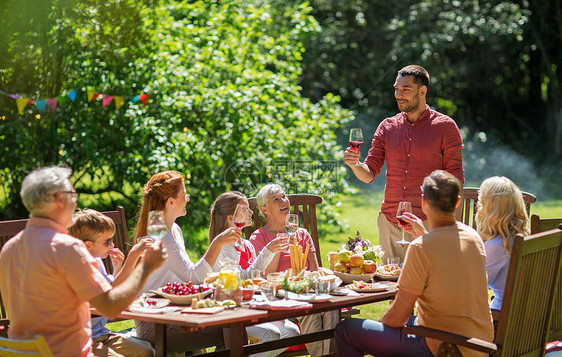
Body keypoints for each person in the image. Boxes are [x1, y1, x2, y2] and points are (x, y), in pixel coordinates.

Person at [0, 166, 166, 357]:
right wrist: (146, 267)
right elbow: (110, 306)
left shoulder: (9, 248)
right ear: (59, 200)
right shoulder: (67, 248)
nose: (76, 200)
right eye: (73, 194)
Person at [335, 170, 494, 357]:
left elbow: (396, 318)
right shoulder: (472, 236)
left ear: (423, 201)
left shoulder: (421, 248)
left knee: (347, 330)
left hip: (445, 349)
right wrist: (422, 234)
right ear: (457, 201)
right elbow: (445, 254)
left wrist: (383, 326)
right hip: (479, 345)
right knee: (408, 322)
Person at [343, 64, 464, 262]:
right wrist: (355, 165)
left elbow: (455, 179)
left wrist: (449, 225)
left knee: (428, 288)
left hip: (428, 224)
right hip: (391, 222)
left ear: (422, 91)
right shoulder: (387, 127)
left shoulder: (445, 126)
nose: (399, 94)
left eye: (405, 89)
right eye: (396, 89)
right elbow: (369, 173)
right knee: (391, 284)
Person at [133, 170, 239, 352]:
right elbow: (194, 276)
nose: (188, 199)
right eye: (184, 195)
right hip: (156, 323)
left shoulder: (173, 228)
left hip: (174, 313)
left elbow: (188, 279)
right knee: (232, 328)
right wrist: (218, 242)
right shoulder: (158, 235)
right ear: (171, 201)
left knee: (230, 321)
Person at [249, 184, 336, 357]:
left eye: (284, 196)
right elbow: (267, 278)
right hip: (278, 297)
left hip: (305, 290)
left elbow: (315, 270)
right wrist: (276, 249)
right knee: (311, 313)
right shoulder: (259, 238)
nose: (283, 201)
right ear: (264, 210)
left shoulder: (302, 234)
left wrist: (308, 281)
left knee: (332, 307)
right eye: (276, 199)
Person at [209, 191, 299, 357]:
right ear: (231, 218)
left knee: (292, 331)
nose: (251, 212)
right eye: (245, 209)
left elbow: (256, 277)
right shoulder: (224, 246)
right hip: (230, 310)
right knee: (271, 334)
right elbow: (240, 278)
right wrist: (268, 251)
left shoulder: (247, 244)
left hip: (250, 305)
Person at [70, 209, 155, 357]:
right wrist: (133, 256)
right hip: (82, 341)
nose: (112, 245)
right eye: (107, 241)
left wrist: (118, 268)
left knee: (147, 351)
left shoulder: (96, 260)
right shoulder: (79, 266)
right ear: (88, 245)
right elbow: (110, 296)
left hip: (101, 334)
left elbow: (112, 287)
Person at [475, 176, 529, 311]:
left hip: (501, 320)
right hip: (523, 317)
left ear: (489, 209)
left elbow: (472, 289)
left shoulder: (497, 246)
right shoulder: (522, 239)